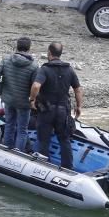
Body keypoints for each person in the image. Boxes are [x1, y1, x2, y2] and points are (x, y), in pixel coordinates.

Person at [29, 41, 84, 169]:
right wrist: (79, 106)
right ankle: (68, 168)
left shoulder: (45, 69)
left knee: (43, 140)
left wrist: (32, 100)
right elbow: (78, 89)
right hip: (63, 111)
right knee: (64, 140)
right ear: (60, 54)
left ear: (49, 53)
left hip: (46, 111)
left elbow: (36, 85)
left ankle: (44, 167)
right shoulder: (69, 69)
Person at [0, 37, 39, 152]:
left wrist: (0, 91)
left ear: (17, 46)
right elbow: (35, 86)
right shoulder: (34, 66)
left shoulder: (6, 60)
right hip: (23, 102)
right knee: (22, 130)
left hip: (9, 99)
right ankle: (18, 155)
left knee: (9, 126)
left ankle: (6, 151)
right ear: (29, 48)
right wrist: (32, 99)